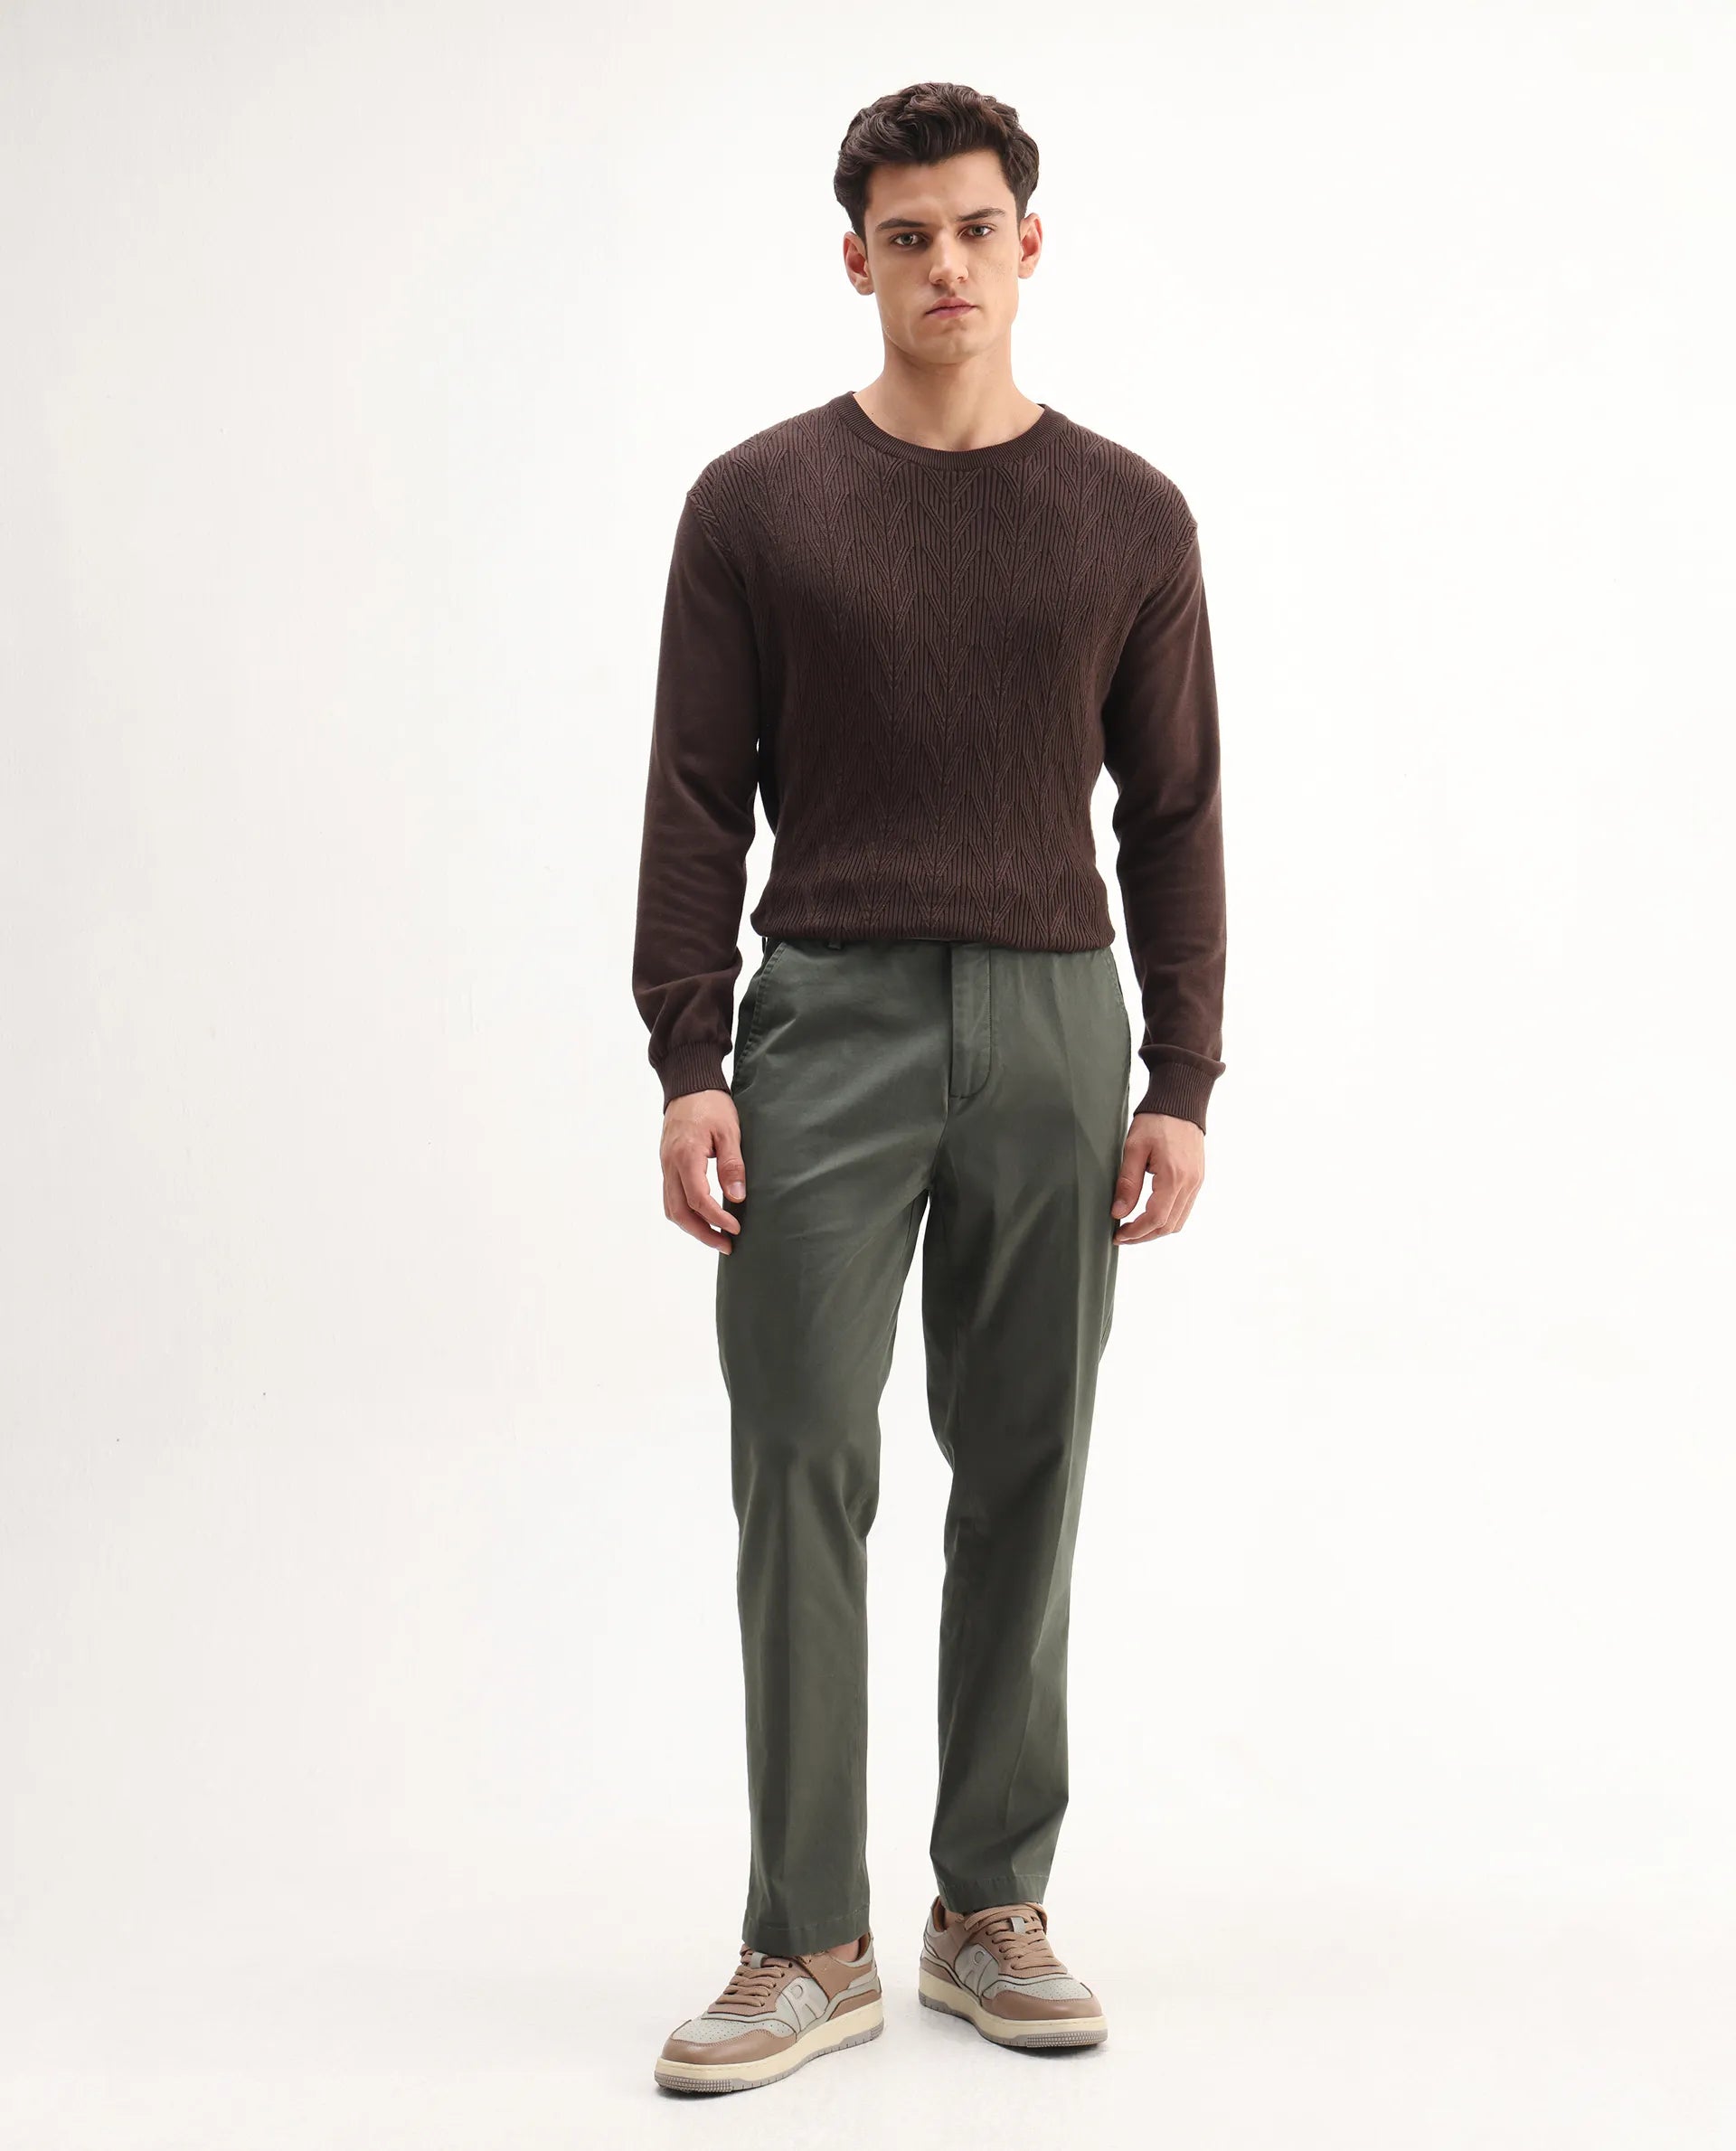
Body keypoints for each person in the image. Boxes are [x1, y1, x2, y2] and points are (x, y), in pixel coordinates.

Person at [631, 79, 1226, 2096]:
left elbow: (1173, 810)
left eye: (976, 229)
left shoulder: (1131, 516)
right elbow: (695, 798)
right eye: (908, 236)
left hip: (1058, 1020)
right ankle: (806, 1937)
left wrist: (1183, 1071)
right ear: (858, 259)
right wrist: (690, 1056)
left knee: (1030, 1457)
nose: (945, 265)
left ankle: (992, 1909)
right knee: (801, 1445)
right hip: (827, 1018)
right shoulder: (758, 503)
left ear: (1028, 246)